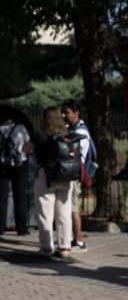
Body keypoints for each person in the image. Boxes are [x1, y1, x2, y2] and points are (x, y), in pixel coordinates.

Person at [33, 107, 74, 260]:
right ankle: (65, 247)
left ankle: (47, 246)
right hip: (65, 174)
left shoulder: (41, 134)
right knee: (64, 211)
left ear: (45, 118)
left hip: (46, 174)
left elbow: (26, 148)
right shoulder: (67, 133)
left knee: (45, 211)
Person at [0, 116, 31, 235]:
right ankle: (22, 228)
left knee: (1, 198)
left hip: (1, 166)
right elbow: (28, 145)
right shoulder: (21, 128)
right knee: (20, 197)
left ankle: (0, 228)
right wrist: (23, 155)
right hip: (19, 165)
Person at [61, 99, 90, 252]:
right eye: (63, 112)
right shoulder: (71, 128)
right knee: (70, 207)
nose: (64, 115)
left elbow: (71, 149)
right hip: (70, 172)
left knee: (73, 208)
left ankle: (79, 241)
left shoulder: (81, 132)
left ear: (76, 113)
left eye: (67, 112)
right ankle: (73, 238)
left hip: (75, 173)